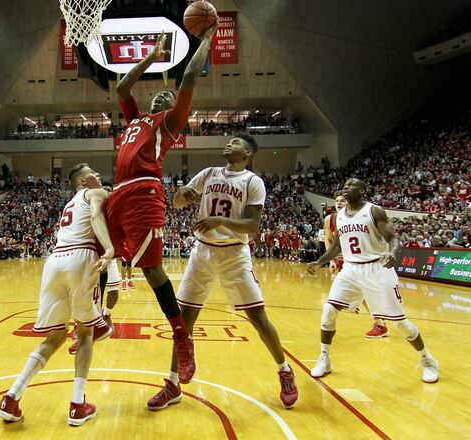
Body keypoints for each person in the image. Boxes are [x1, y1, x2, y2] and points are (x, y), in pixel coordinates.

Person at [148, 134, 298, 411]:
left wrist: (219, 220)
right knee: (184, 320)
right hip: (202, 251)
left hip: (234, 254)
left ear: (248, 153)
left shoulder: (253, 182)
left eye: (237, 142)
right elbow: (179, 203)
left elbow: (252, 226)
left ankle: (285, 370)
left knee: (258, 317)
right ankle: (172, 384)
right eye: (229, 141)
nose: (230, 143)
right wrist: (184, 193)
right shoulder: (208, 173)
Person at [107, 25, 218, 385]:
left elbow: (187, 76)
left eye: (166, 95)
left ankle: (182, 339)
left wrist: (206, 38)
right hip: (118, 194)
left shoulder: (170, 123)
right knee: (97, 253)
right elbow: (123, 88)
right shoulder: (137, 119)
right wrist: (151, 57)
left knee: (153, 272)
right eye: (157, 94)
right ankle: (95, 318)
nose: (160, 95)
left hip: (143, 193)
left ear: (174, 109)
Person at [0, 163, 114, 427]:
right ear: (83, 181)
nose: (97, 173)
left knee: (55, 336)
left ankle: (11, 397)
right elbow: (96, 218)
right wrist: (109, 249)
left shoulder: (69, 203)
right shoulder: (95, 193)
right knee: (85, 334)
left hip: (55, 261)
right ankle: (78, 405)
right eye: (92, 171)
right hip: (80, 258)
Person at [307, 178, 439, 383]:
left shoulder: (374, 211)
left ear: (362, 191)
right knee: (329, 311)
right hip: (350, 269)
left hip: (377, 268)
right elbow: (337, 248)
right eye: (345, 184)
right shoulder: (339, 217)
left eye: (351, 184)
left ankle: (427, 359)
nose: (346, 186)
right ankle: (325, 359)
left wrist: (394, 253)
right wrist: (318, 261)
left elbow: (394, 238)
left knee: (400, 324)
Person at [324, 192, 387, 338]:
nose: (339, 203)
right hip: (344, 261)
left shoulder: (360, 217)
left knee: (363, 293)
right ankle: (380, 321)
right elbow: (328, 239)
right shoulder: (330, 219)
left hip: (360, 261)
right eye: (337, 201)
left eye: (343, 201)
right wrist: (331, 259)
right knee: (360, 294)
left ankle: (381, 322)